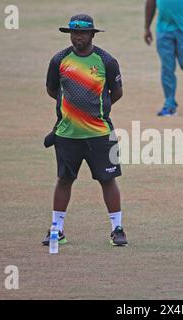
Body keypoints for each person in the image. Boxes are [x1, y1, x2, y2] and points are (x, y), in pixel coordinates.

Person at [42, 14, 128, 247]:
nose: (76, 36)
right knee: (64, 180)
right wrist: (72, 110)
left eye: (81, 32)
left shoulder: (106, 61)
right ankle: (57, 229)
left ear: (92, 34)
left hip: (100, 134)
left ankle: (117, 229)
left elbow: (116, 93)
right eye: (73, 32)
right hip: (67, 134)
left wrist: (95, 110)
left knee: (108, 180)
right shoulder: (59, 59)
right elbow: (52, 90)